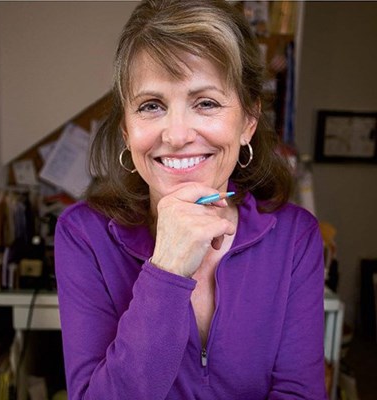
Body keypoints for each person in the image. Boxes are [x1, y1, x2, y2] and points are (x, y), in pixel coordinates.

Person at [55, 0, 327, 399]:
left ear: (249, 121)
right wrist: (167, 269)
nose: (177, 134)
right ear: (128, 131)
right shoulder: (83, 235)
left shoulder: (295, 237)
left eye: (206, 103)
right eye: (151, 106)